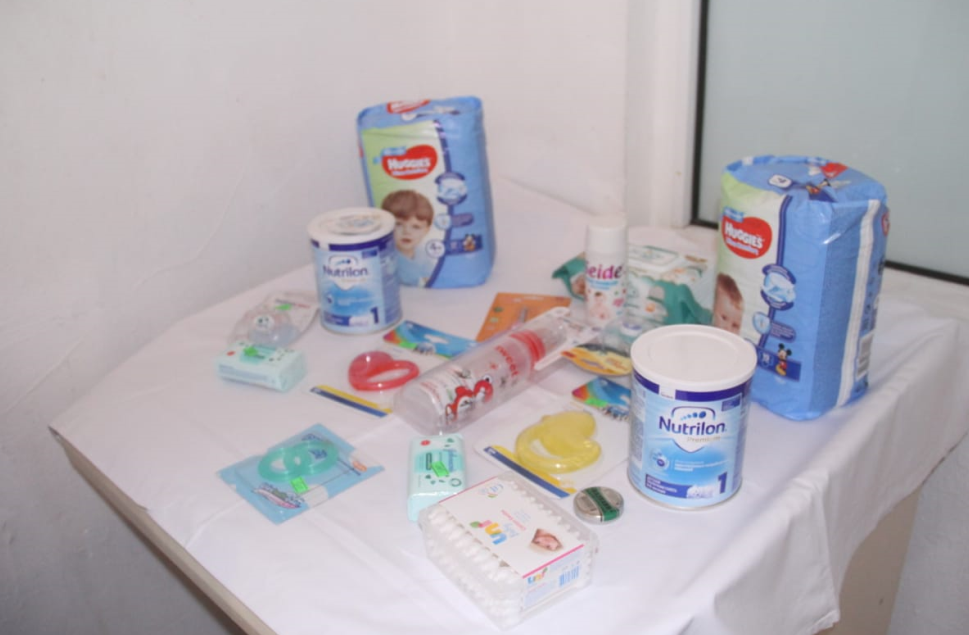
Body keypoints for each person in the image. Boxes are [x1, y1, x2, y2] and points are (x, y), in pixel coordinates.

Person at [381, 190, 435, 285]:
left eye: (416, 227)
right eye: (398, 224)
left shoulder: (422, 253)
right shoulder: (386, 256)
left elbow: (431, 280)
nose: (407, 232)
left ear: (426, 230)